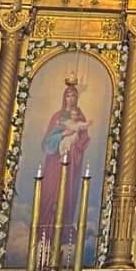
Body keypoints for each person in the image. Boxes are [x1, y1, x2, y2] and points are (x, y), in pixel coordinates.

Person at [39, 82, 91, 243]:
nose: (71, 98)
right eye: (68, 95)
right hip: (54, 162)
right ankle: (44, 230)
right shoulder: (57, 117)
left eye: (74, 95)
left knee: (67, 194)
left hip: (71, 164)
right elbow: (47, 142)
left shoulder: (80, 117)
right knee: (49, 193)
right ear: (64, 98)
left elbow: (83, 139)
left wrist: (75, 144)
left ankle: (62, 232)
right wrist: (62, 135)